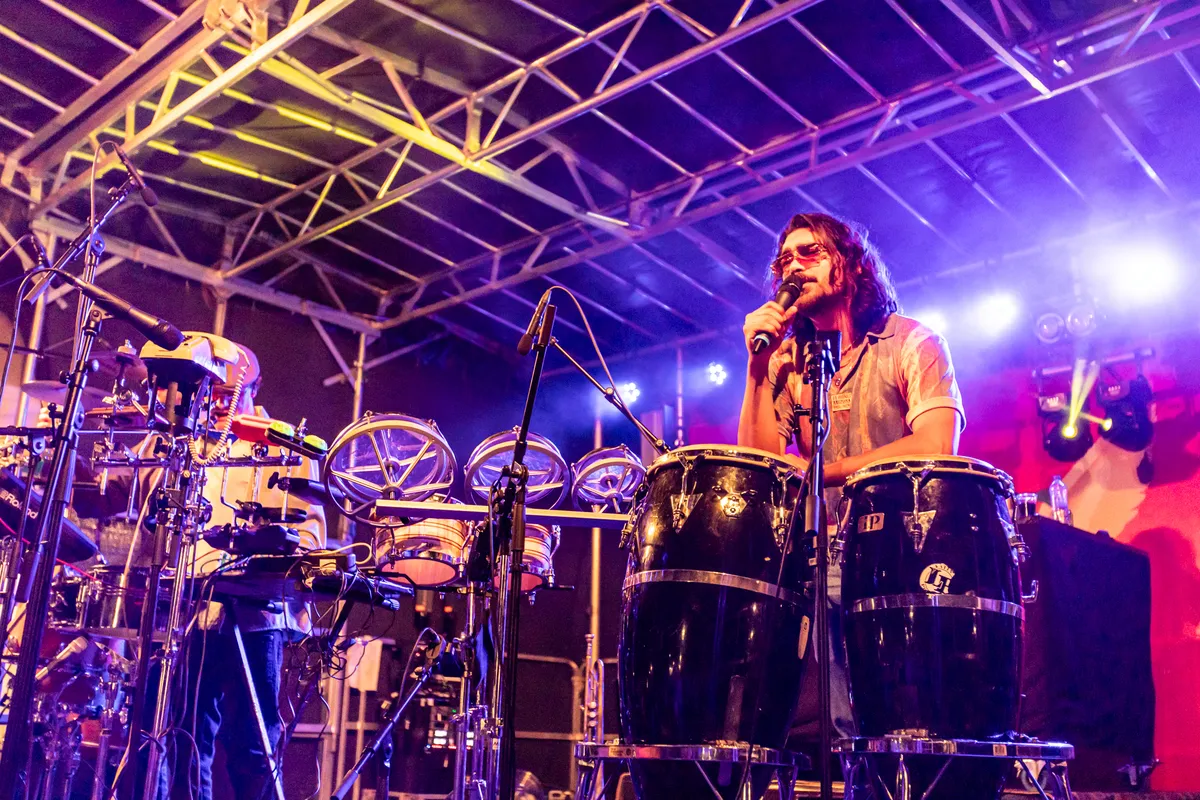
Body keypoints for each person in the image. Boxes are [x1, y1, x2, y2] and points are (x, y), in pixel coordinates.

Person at [737, 212, 964, 737]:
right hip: (826, 556)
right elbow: (761, 463)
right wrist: (756, 369)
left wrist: (822, 473)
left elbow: (936, 445)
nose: (794, 267)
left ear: (853, 264)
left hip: (910, 549)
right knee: (845, 720)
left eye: (810, 253)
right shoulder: (788, 360)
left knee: (909, 711)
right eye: (785, 260)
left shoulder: (911, 341)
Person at [148, 339, 326, 800]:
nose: (217, 403)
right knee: (186, 736)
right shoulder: (190, 444)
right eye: (211, 392)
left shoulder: (286, 443)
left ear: (254, 387)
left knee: (251, 742)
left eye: (229, 394)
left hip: (256, 615)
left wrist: (265, 541)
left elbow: (311, 536)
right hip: (193, 611)